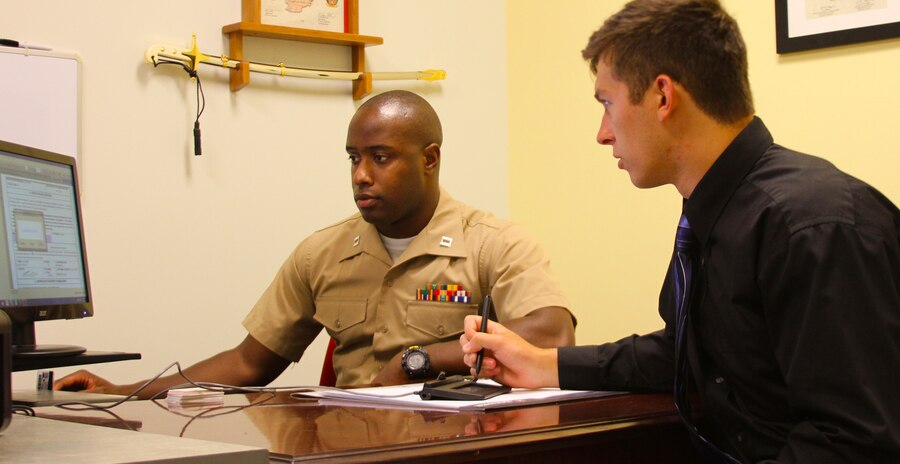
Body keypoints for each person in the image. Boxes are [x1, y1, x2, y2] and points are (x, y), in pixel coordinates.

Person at [461, 0, 900, 464]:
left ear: (663, 97)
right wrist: (543, 364)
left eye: (607, 104)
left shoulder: (808, 226)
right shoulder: (720, 208)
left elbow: (861, 446)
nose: (603, 133)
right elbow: (689, 352)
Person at [57, 91, 575, 398]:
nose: (362, 176)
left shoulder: (493, 244)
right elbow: (248, 364)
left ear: (430, 159)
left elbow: (552, 336)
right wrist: (124, 394)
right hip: (349, 447)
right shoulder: (322, 253)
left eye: (381, 157)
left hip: (459, 448)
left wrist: (420, 359)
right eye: (353, 158)